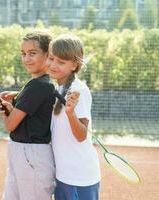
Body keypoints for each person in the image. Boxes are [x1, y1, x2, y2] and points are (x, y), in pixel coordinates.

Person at [0, 31, 56, 200]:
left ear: (48, 55)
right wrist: (16, 98)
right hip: (23, 152)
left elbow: (10, 125)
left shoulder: (38, 86)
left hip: (31, 155)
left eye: (32, 53)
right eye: (23, 54)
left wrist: (3, 113)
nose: (26, 59)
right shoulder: (40, 83)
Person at [48, 34, 101, 200]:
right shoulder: (59, 88)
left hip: (80, 177)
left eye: (61, 62)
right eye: (51, 58)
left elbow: (81, 135)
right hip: (63, 176)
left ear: (74, 65)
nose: (53, 65)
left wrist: (71, 114)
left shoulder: (79, 90)